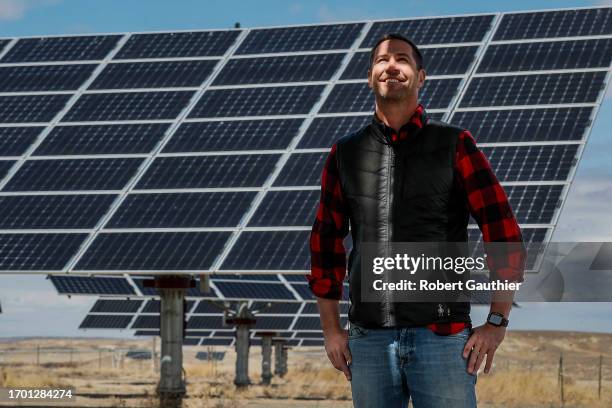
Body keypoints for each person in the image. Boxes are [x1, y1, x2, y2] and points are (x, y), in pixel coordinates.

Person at [307, 33, 526, 408]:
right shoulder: (345, 153)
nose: (391, 66)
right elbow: (326, 244)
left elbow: (502, 231)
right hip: (370, 340)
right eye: (382, 60)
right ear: (369, 75)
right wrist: (331, 330)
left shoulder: (455, 145)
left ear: (420, 77)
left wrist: (497, 322)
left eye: (403, 59)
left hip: (441, 337)